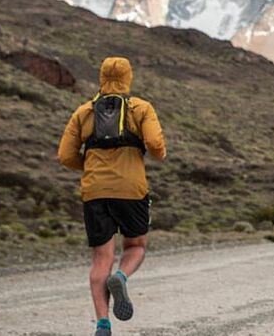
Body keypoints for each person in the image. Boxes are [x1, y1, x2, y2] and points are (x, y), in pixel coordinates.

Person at [57, 57, 166, 336]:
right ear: (128, 77)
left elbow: (65, 155)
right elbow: (155, 144)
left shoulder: (84, 112)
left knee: (100, 259)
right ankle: (121, 276)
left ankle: (103, 324)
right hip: (131, 189)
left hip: (95, 191)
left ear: (101, 78)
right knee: (136, 246)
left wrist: (92, 166)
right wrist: (155, 154)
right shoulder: (140, 108)